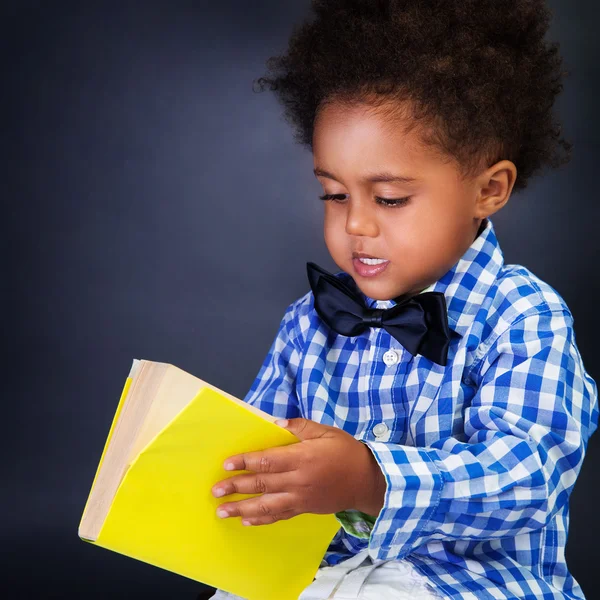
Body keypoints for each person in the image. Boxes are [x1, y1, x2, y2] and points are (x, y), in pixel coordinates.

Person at [207, 0, 598, 598]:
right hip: (324, 575)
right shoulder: (307, 324)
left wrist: (370, 478)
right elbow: (256, 451)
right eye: (334, 195)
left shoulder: (523, 315)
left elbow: (528, 479)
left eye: (388, 198)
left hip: (470, 585)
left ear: (488, 190)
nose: (356, 225)